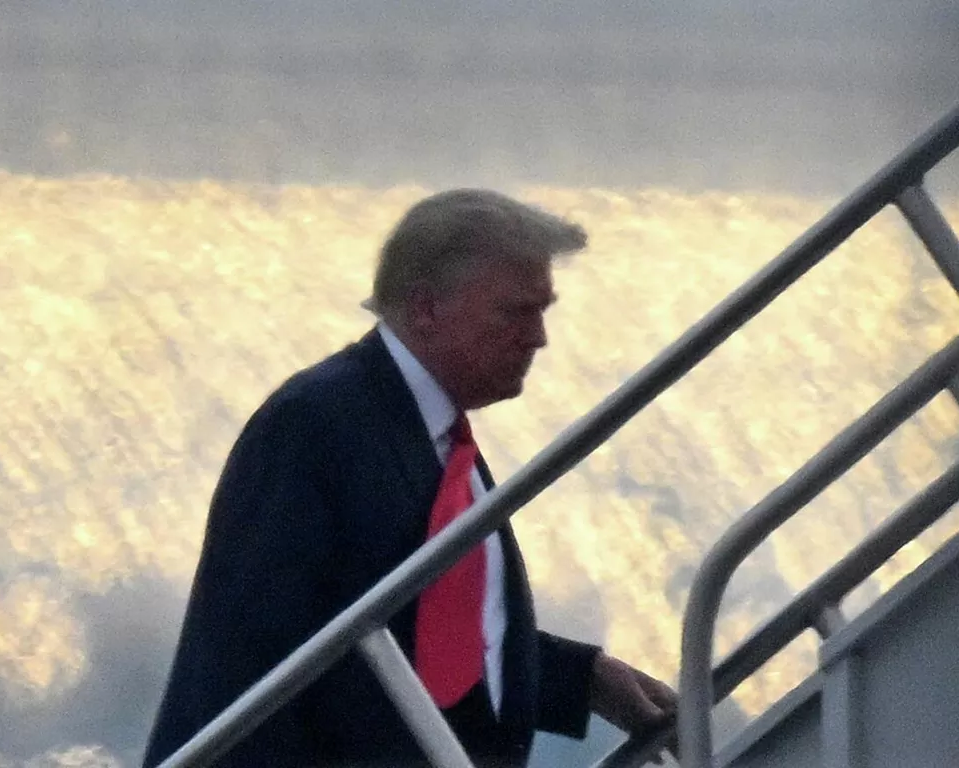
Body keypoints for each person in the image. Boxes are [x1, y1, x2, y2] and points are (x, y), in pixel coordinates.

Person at [143, 189, 677, 767]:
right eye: (516, 312)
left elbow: (430, 640)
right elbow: (258, 657)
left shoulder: (436, 440)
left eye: (542, 311)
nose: (538, 337)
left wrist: (583, 680)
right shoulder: (316, 423)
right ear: (425, 309)